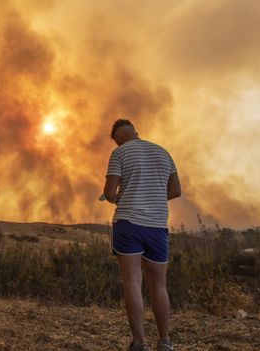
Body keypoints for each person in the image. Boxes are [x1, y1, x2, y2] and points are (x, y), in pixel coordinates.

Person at [102, 119, 181, 351]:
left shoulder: (119, 153)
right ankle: (165, 341)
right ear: (136, 132)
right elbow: (175, 190)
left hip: (128, 224)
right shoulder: (163, 153)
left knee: (133, 283)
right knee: (159, 286)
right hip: (157, 227)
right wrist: (151, 198)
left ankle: (139, 343)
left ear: (117, 138)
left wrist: (124, 196)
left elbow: (110, 193)